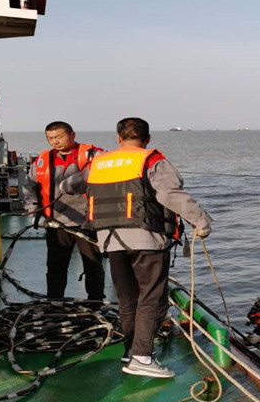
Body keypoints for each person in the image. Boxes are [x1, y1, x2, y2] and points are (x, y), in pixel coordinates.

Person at [63, 117, 212, 379]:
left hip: (109, 240)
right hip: (147, 239)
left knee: (127, 298)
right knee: (151, 298)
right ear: (148, 139)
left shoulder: (98, 162)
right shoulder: (151, 160)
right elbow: (169, 194)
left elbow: (69, 186)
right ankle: (142, 358)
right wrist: (201, 221)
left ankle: (130, 349)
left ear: (118, 138)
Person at [22, 121, 105, 301]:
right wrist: (34, 210)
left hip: (89, 222)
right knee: (55, 266)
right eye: (50, 138)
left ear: (72, 135)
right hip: (56, 222)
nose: (54, 142)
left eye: (58, 137)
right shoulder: (43, 160)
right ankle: (54, 302)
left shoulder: (95, 156)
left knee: (93, 265)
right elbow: (29, 186)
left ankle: (96, 302)